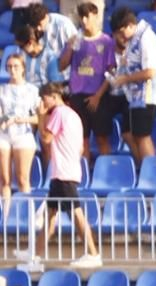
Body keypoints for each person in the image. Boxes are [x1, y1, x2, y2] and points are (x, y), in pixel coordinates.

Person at [34, 81, 100, 269]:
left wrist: (40, 117)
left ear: (53, 97)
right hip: (66, 169)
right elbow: (80, 148)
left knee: (76, 213)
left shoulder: (60, 113)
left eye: (44, 98)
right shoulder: (73, 115)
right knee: (51, 215)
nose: (42, 103)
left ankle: (93, 253)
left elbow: (46, 138)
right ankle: (36, 257)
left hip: (63, 172)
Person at [59, 3, 117, 159]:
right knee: (81, 139)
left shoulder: (106, 41)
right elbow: (61, 65)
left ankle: (105, 174)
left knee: (102, 137)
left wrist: (98, 96)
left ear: (95, 16)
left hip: (99, 96)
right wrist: (70, 48)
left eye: (87, 16)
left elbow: (112, 71)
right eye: (81, 16)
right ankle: (83, 176)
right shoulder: (75, 40)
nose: (84, 21)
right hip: (77, 94)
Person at [107, 7, 156, 163]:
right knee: (129, 134)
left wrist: (125, 78)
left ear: (129, 25)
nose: (120, 37)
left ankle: (150, 173)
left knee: (142, 136)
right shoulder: (134, 40)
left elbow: (151, 72)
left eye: (120, 31)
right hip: (135, 96)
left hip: (146, 95)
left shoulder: (146, 38)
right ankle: (142, 168)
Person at [0, 48, 38, 206]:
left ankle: (25, 216)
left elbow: (37, 118)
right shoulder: (1, 90)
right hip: (4, 134)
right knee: (5, 179)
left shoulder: (32, 90)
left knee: (23, 178)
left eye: (15, 66)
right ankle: (6, 218)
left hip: (23, 134)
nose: (12, 70)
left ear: (23, 68)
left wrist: (18, 120)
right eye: (9, 66)